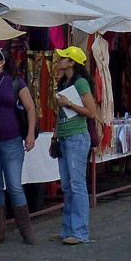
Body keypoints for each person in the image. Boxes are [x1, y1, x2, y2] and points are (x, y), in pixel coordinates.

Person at [0, 48, 38, 247]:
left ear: (1, 62)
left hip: (11, 141)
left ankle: (26, 231)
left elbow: (30, 108)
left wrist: (30, 134)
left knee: (14, 186)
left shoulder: (15, 82)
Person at [53, 46, 98, 245]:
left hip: (76, 137)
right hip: (65, 136)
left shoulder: (80, 84)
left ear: (72, 62)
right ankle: (68, 229)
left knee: (76, 185)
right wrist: (55, 136)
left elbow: (91, 112)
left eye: (63, 58)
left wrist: (69, 104)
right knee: (68, 186)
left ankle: (79, 232)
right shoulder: (65, 83)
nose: (59, 60)